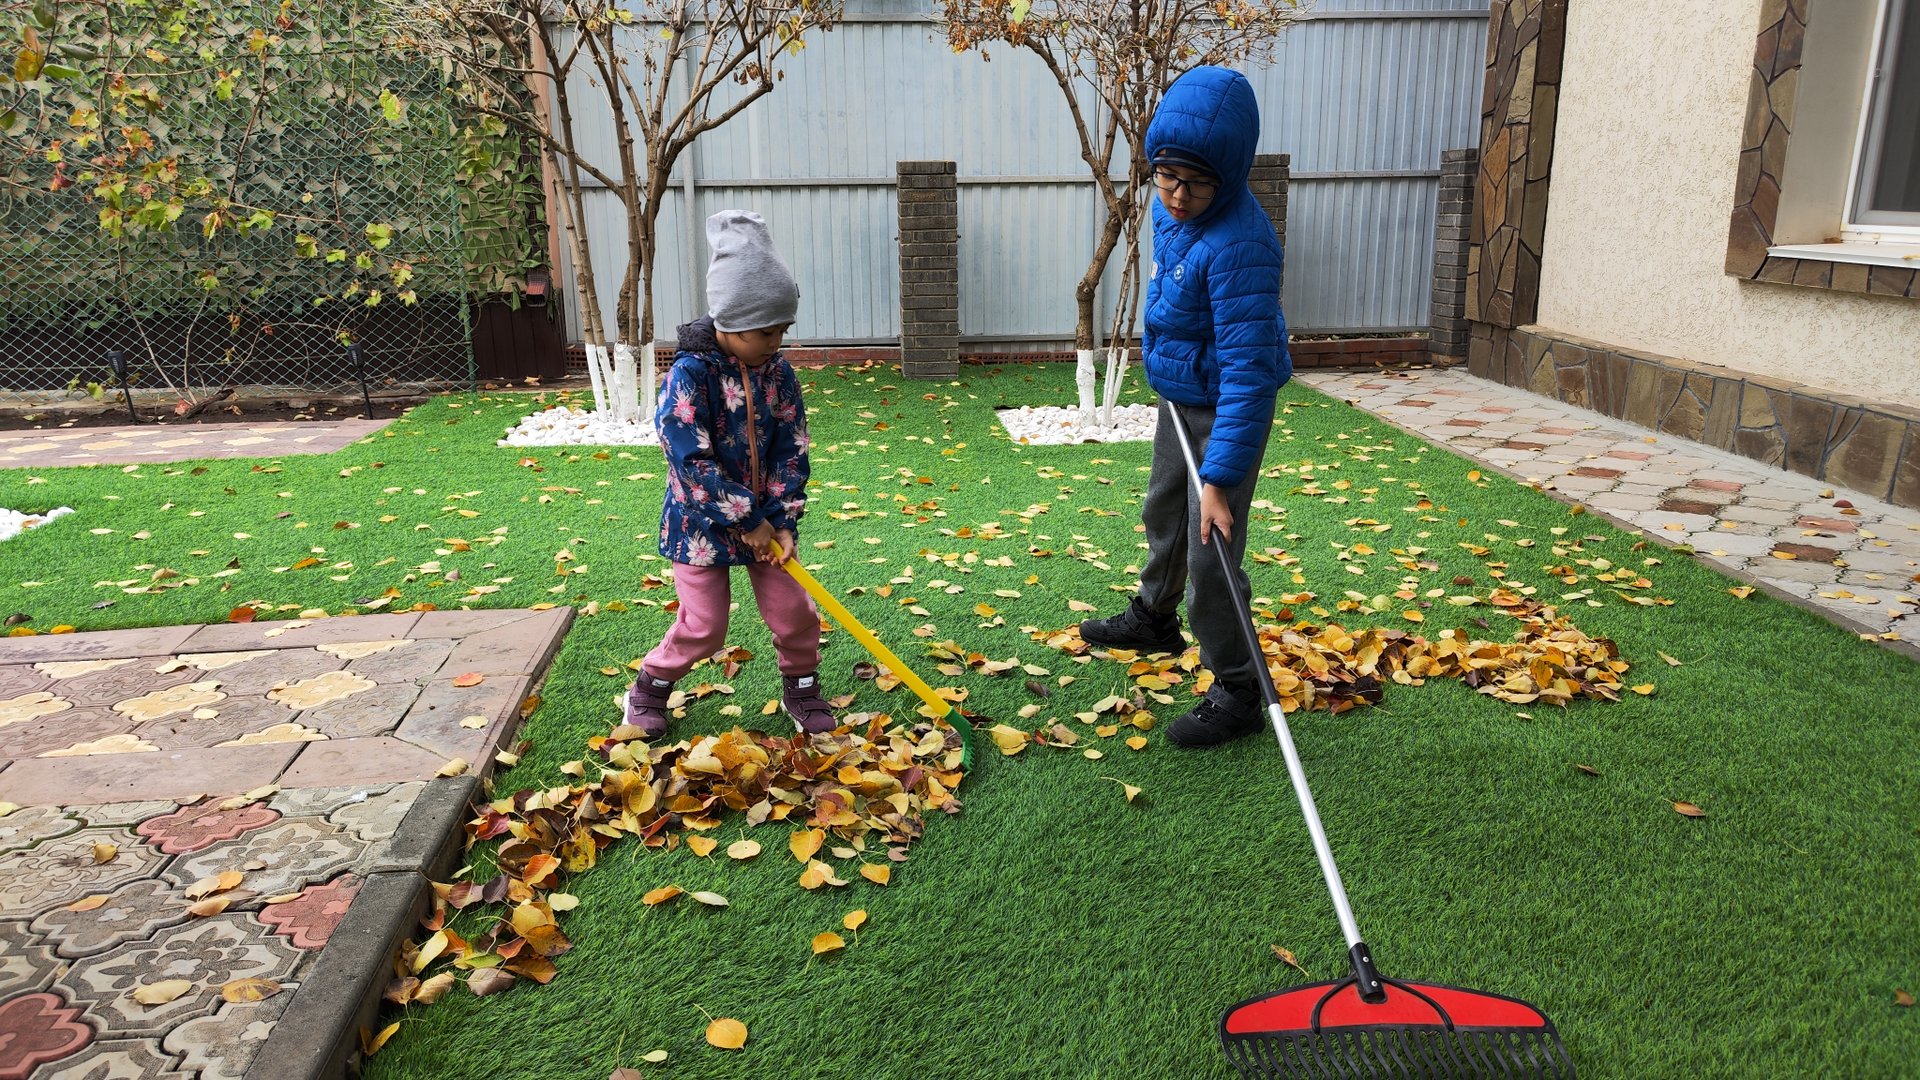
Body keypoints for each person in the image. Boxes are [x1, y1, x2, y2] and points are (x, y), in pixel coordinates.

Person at [1079, 65, 1289, 748]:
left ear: (1226, 176)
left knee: (1211, 552)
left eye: (1194, 183)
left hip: (1227, 408)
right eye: (1165, 177)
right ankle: (1154, 619)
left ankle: (1237, 686)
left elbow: (1250, 374)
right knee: (1164, 511)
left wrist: (1222, 482)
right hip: (1182, 394)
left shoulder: (1241, 246)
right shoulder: (1178, 209)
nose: (1175, 195)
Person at [623, 209, 837, 738]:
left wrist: (782, 519)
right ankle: (649, 685)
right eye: (766, 331)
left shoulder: (778, 373)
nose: (776, 342)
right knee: (705, 627)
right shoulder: (689, 376)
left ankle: (802, 686)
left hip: (767, 523)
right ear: (729, 322)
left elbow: (793, 445)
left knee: (795, 612)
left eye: (783, 330)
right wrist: (745, 518)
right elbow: (687, 459)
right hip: (701, 525)